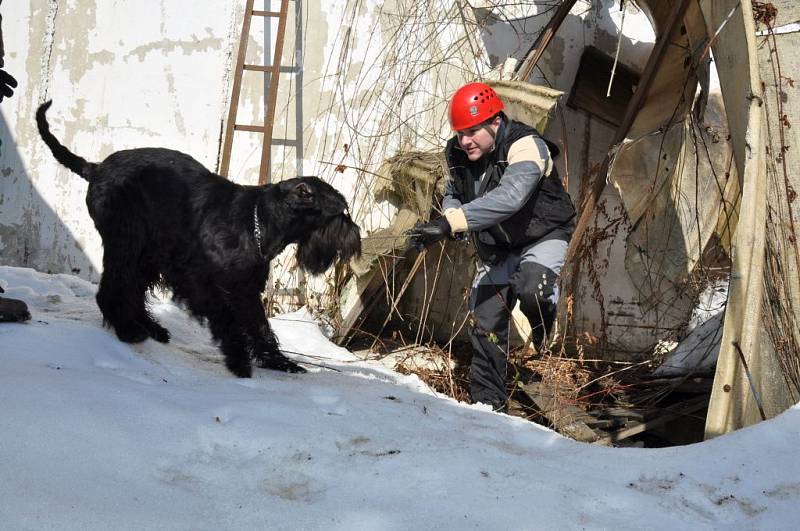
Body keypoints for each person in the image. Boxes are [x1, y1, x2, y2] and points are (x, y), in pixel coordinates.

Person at [407, 82, 576, 411]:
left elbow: (511, 197)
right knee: (484, 324)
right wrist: (452, 213)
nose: (464, 141)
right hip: (496, 246)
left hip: (542, 234)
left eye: (471, 132)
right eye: (459, 133)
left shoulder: (526, 144)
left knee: (533, 288)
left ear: (495, 123)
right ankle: (488, 408)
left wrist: (450, 223)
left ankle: (541, 326)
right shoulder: (457, 152)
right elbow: (453, 190)